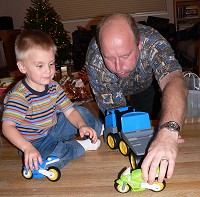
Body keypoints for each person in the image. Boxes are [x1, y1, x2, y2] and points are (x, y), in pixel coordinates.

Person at [85, 13, 188, 184]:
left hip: (145, 86)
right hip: (112, 90)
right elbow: (117, 115)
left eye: (125, 56)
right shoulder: (95, 58)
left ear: (139, 44)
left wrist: (168, 131)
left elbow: (175, 82)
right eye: (110, 58)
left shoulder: (153, 42)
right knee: (121, 129)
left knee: (147, 120)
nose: (118, 67)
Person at [2, 30, 102, 171]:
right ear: (23, 67)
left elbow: (69, 111)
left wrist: (81, 125)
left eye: (51, 64)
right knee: (48, 161)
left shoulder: (53, 86)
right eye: (40, 66)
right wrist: (27, 148)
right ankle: (79, 147)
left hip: (52, 129)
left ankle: (95, 130)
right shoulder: (20, 96)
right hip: (34, 143)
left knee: (79, 111)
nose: (48, 71)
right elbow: (7, 128)